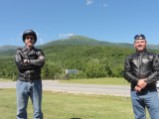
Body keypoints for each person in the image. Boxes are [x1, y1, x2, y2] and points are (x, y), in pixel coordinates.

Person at [124, 34, 159, 119]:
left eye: (142, 42)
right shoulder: (129, 58)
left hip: (150, 92)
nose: (140, 44)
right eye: (137, 42)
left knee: (156, 116)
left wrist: (145, 81)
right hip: (135, 92)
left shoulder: (154, 56)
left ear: (145, 43)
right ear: (134, 44)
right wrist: (137, 81)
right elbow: (126, 73)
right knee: (139, 117)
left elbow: (157, 71)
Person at [15, 29, 45, 119]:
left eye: (31, 38)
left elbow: (41, 62)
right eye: (27, 38)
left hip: (36, 83)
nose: (29, 39)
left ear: (34, 40)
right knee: (21, 111)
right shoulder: (19, 51)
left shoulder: (39, 52)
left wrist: (27, 61)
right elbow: (20, 65)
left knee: (37, 111)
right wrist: (34, 63)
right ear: (24, 40)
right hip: (21, 83)